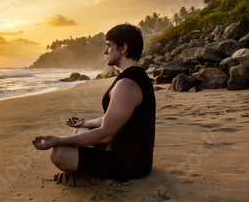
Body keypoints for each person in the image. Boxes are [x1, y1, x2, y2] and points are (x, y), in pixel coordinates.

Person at [32, 23, 156, 181]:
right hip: (116, 146)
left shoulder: (127, 84)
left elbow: (105, 134)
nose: (105, 51)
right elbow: (112, 119)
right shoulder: (132, 77)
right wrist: (86, 122)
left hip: (131, 163)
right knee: (82, 130)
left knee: (59, 153)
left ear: (123, 48)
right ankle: (86, 161)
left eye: (109, 46)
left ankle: (85, 171)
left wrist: (58, 140)